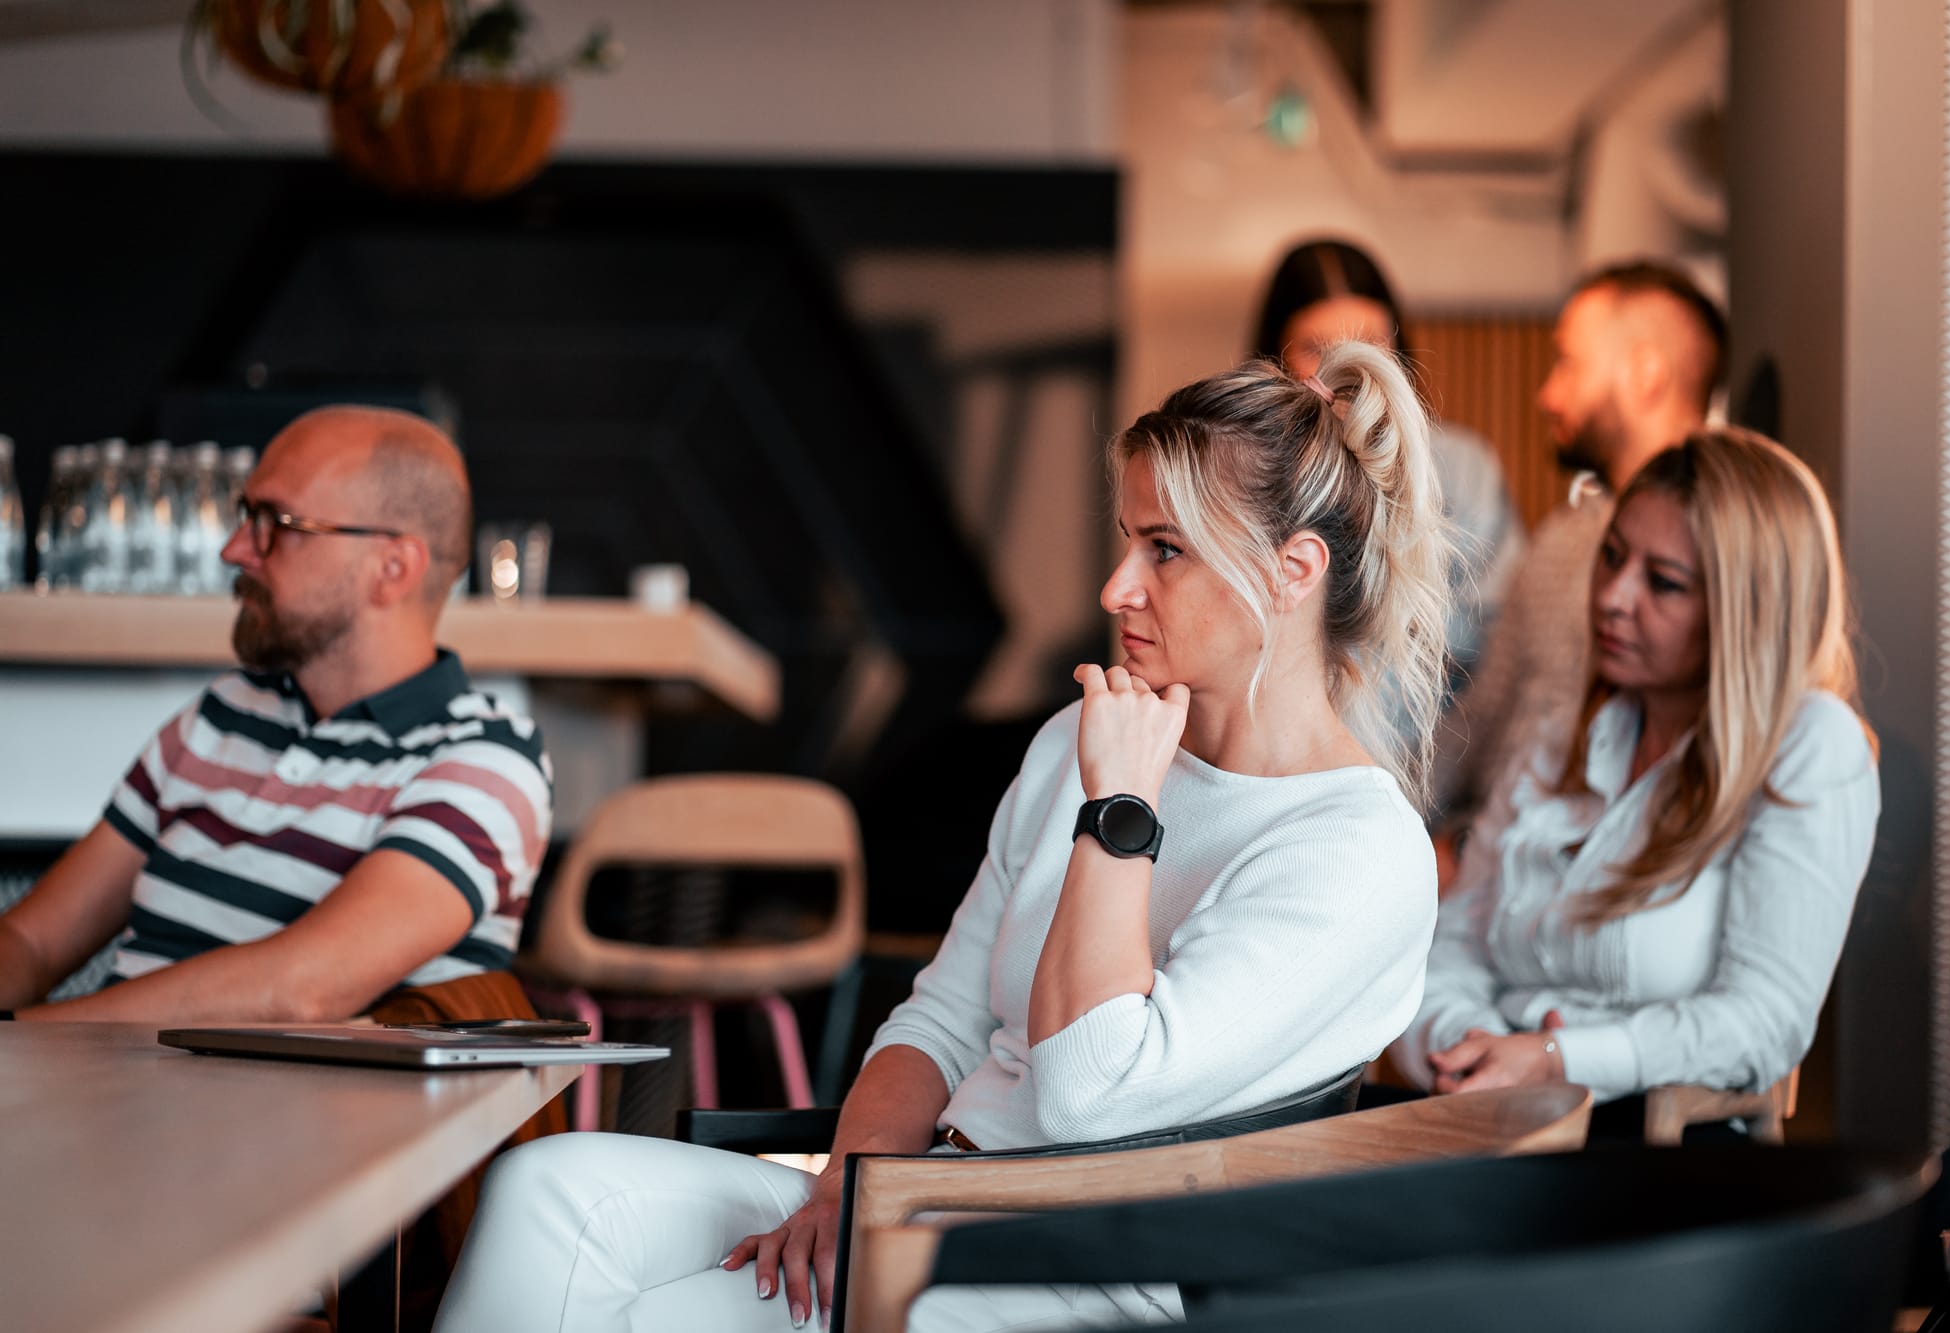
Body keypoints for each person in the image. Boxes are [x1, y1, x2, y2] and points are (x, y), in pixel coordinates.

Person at [433, 342, 1451, 1333]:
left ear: (1293, 571)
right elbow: (942, 1015)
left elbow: (1090, 1091)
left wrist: (1118, 817)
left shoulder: (1354, 850)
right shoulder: (1080, 740)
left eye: (1164, 550)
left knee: (656, 1318)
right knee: (546, 1191)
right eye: (1127, 539)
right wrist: (852, 1182)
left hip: (1074, 1260)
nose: (1114, 588)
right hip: (922, 1188)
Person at [1391, 428, 1879, 1131]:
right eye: (1612, 558)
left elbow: (1764, 1022)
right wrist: (1475, 1050)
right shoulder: (1564, 733)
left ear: (1747, 609)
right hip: (1495, 1114)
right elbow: (1453, 949)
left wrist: (1562, 1056)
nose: (1614, 597)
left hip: (1664, 1151)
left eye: (1664, 582)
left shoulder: (1809, 742)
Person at [0, 406, 552, 1023]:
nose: (235, 550)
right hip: (102, 1095)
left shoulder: (487, 760)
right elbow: (33, 939)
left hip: (292, 1118)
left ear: (392, 569)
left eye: (276, 524)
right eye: (246, 516)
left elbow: (302, 987)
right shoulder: (222, 713)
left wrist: (30, 1042)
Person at [1431, 260, 1729, 838]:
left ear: (1645, 373)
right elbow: (1481, 715)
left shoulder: (1732, 547)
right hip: (1487, 858)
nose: (1547, 394)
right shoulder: (1560, 541)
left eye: (1568, 362)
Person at [1254, 238, 1525, 724]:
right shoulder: (1245, 476)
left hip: (1436, 766)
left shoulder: (1462, 471)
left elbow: (1498, 638)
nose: (1348, 369)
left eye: (1372, 344)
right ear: (1274, 356)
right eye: (1315, 348)